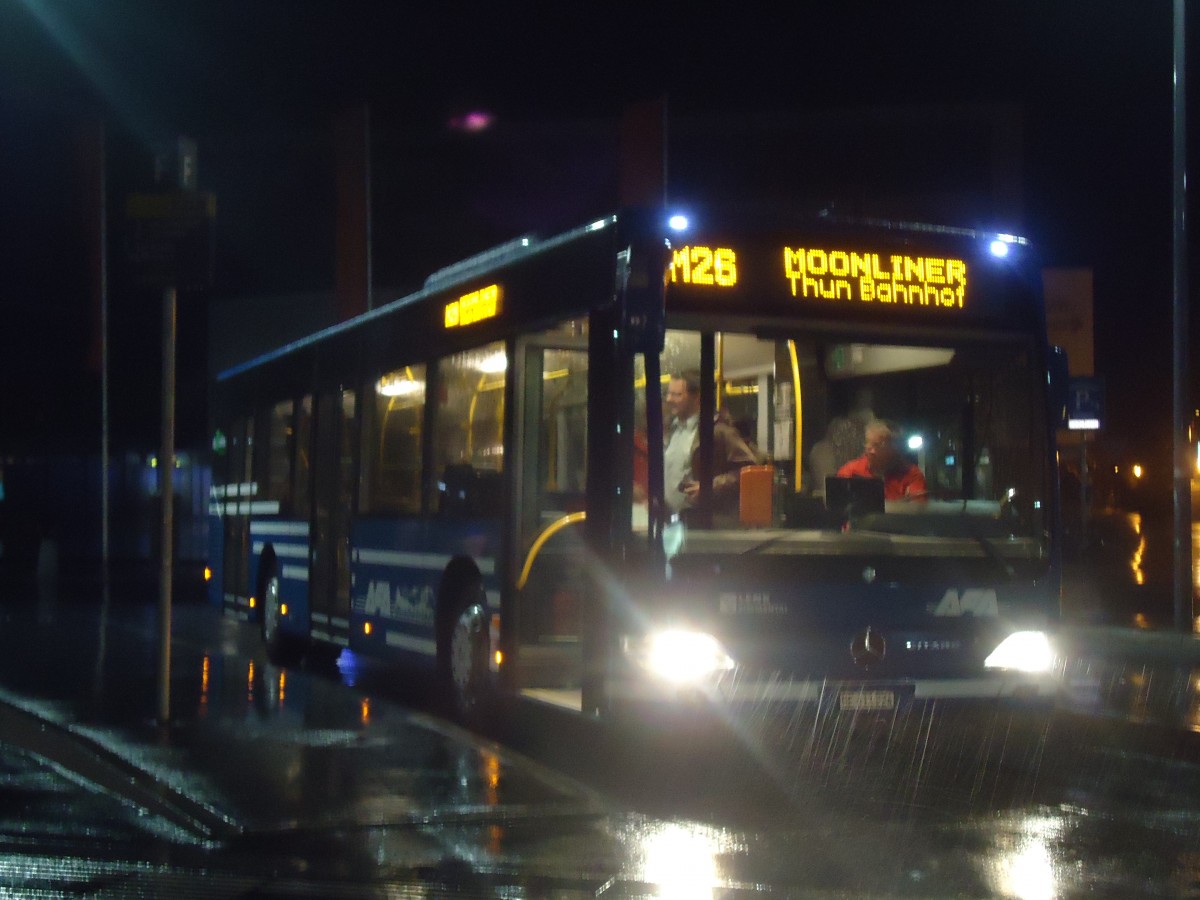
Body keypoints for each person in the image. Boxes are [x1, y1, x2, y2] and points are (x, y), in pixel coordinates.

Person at [663, 370, 759, 515]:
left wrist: (709, 487)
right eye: (668, 393)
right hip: (670, 519)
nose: (669, 399)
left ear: (697, 398)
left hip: (703, 519)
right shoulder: (672, 429)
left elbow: (748, 471)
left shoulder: (718, 430)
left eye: (677, 394)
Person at [836, 419, 926, 501]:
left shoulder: (912, 475)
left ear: (893, 448)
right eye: (868, 443)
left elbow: (916, 512)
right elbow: (837, 507)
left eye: (877, 445)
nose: (870, 450)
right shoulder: (850, 471)